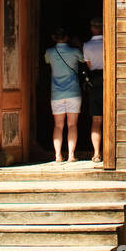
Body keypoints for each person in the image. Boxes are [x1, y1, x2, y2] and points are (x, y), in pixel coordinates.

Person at [44, 26, 82, 163]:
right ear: (67, 38)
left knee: (58, 125)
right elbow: (84, 60)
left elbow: (47, 62)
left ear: (54, 38)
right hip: (73, 92)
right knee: (72, 125)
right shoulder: (75, 51)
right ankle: (71, 155)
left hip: (56, 94)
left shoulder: (49, 52)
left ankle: (58, 155)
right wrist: (78, 45)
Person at [82, 17, 104, 165]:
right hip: (108, 80)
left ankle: (96, 153)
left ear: (91, 28)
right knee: (112, 118)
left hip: (95, 83)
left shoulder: (87, 45)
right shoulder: (107, 43)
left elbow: (88, 66)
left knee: (96, 120)